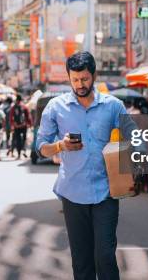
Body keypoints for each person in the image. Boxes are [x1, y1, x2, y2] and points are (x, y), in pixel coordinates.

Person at [37, 51, 132, 280]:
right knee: (82, 261)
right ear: (69, 78)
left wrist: (134, 167)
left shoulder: (114, 106)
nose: (80, 84)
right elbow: (41, 146)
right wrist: (60, 145)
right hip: (73, 193)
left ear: (94, 75)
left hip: (106, 192)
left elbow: (135, 139)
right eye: (75, 79)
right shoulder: (55, 107)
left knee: (105, 256)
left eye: (85, 79)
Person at [10, 95, 32, 160]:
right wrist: (30, 124)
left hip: (16, 126)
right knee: (24, 139)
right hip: (24, 126)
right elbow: (28, 116)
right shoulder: (24, 107)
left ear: (16, 100)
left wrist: (13, 125)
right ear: (21, 100)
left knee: (18, 140)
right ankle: (24, 150)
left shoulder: (13, 107)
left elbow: (11, 117)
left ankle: (19, 155)